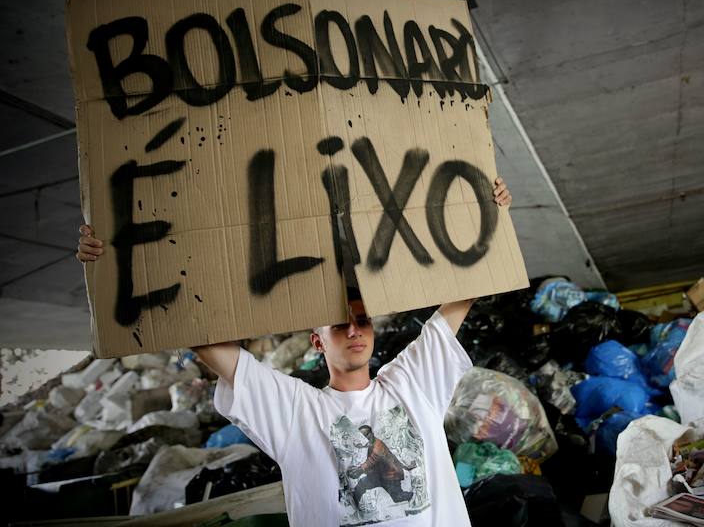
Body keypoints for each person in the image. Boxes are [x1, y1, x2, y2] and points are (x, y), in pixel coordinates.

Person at [77, 177, 513, 527]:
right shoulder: (294, 410)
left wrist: (492, 213)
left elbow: (466, 291)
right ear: (317, 340)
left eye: (362, 321)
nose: (354, 330)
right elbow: (205, 340)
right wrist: (115, 263)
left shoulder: (412, 384)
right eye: (340, 324)